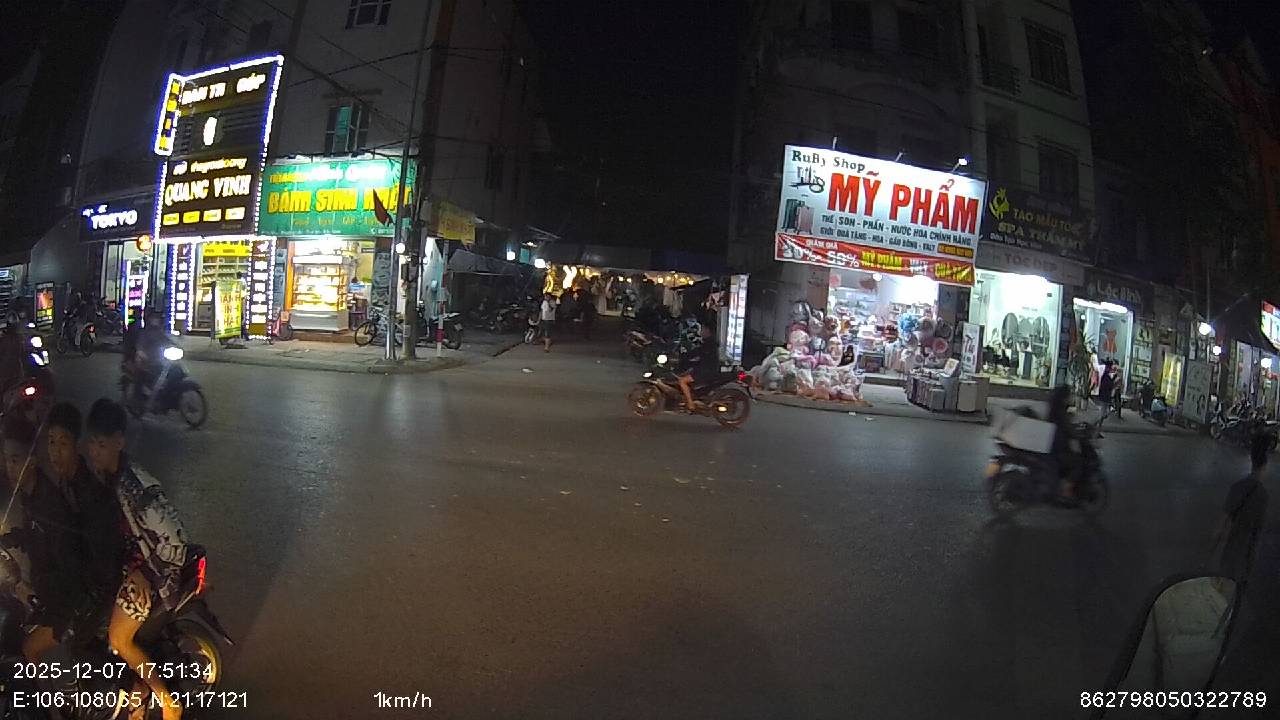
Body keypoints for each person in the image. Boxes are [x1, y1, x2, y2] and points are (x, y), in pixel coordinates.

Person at [84, 399, 187, 720]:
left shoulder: (138, 488)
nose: (94, 452)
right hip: (132, 566)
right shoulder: (109, 477)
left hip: (158, 572)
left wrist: (144, 571)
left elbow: (176, 540)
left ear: (119, 441)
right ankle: (136, 701)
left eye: (102, 445)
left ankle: (167, 701)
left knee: (119, 638)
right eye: (92, 443)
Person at [0, 414, 80, 663]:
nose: (9, 467)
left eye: (15, 460)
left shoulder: (50, 505)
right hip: (45, 590)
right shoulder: (29, 493)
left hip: (67, 601)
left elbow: (68, 564)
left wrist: (31, 593)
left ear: (32, 461)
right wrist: (11, 539)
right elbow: (32, 534)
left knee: (28, 650)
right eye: (6, 459)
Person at [1213, 433, 1270, 584]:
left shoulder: (1238, 487)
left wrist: (1217, 539)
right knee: (1238, 584)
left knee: (1225, 580)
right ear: (1264, 467)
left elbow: (1223, 520)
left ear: (1251, 461)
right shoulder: (1263, 495)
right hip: (1246, 551)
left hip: (1232, 545)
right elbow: (1258, 530)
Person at [676, 322, 720, 412]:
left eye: (703, 329)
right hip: (705, 368)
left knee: (682, 380)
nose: (701, 331)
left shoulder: (708, 343)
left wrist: (684, 357)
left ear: (708, 331)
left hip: (705, 371)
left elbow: (697, 353)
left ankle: (690, 404)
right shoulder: (709, 342)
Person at [1048, 384, 1080, 498]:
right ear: (1064, 397)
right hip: (1058, 447)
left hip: (1053, 445)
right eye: (1069, 395)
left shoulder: (1055, 408)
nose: (1071, 397)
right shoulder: (1061, 412)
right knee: (1077, 462)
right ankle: (1066, 488)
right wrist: (1076, 434)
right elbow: (1068, 429)